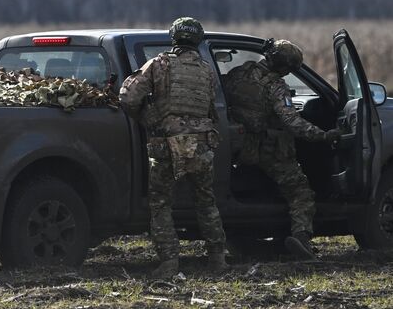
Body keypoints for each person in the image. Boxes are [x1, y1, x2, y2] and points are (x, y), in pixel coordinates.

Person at [119, 17, 228, 278]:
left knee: (160, 204)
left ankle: (169, 263)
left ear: (173, 37)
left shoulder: (159, 64)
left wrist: (147, 116)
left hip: (167, 143)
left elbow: (128, 97)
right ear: (198, 40)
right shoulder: (206, 70)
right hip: (201, 144)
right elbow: (212, 108)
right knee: (206, 203)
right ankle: (218, 260)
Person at [223, 39, 341, 260]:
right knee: (301, 192)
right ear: (284, 67)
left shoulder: (239, 73)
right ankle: (301, 238)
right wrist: (323, 135)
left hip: (239, 146)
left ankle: (245, 240)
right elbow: (293, 123)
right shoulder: (275, 87)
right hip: (267, 149)